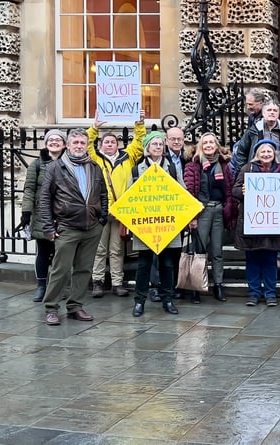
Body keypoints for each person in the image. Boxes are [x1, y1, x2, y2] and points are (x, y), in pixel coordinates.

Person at [39, 129, 108, 326]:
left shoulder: (94, 167)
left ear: (87, 145)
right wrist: (48, 227)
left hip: (92, 227)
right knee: (60, 270)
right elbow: (45, 199)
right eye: (75, 142)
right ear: (68, 145)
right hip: (67, 227)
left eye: (82, 143)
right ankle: (51, 307)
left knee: (84, 269)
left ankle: (75, 306)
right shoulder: (55, 167)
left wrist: (102, 218)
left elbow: (103, 194)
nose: (79, 146)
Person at [87, 110, 146, 299]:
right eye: (107, 142)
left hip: (121, 212)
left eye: (113, 142)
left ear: (118, 144)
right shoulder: (95, 159)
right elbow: (86, 145)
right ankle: (97, 282)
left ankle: (117, 283)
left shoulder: (127, 158)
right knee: (99, 249)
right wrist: (94, 128)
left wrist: (139, 123)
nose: (110, 145)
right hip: (101, 211)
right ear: (102, 145)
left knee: (117, 249)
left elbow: (139, 143)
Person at [131, 131, 184, 317]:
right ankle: (139, 301)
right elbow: (131, 197)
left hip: (167, 224)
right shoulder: (137, 170)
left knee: (168, 264)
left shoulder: (172, 168)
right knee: (144, 265)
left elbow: (181, 191)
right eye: (154, 144)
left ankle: (168, 299)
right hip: (145, 224)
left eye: (161, 144)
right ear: (147, 148)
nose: (158, 147)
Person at [233, 140, 280, 306]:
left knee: (270, 261)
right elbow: (235, 191)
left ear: (274, 154)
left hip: (272, 225)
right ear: (257, 154)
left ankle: (271, 294)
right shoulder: (247, 169)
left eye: (269, 152)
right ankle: (254, 293)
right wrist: (242, 191)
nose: (266, 155)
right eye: (263, 152)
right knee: (252, 261)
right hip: (253, 224)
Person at [183, 132, 238, 303]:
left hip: (219, 210)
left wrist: (229, 210)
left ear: (216, 145)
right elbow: (190, 192)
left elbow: (229, 190)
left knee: (217, 251)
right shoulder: (193, 166)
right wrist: (192, 217)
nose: (208, 145)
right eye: (205, 142)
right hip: (202, 211)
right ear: (200, 146)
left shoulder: (224, 165)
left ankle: (218, 285)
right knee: (199, 250)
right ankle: (196, 287)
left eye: (211, 142)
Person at [21, 129, 67, 302]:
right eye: (51, 139)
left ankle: (58, 287)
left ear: (64, 144)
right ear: (46, 143)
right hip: (42, 213)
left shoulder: (69, 163)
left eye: (58, 140)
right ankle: (41, 286)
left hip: (63, 214)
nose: (54, 142)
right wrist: (26, 212)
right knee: (42, 252)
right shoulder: (37, 164)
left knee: (60, 254)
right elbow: (29, 189)